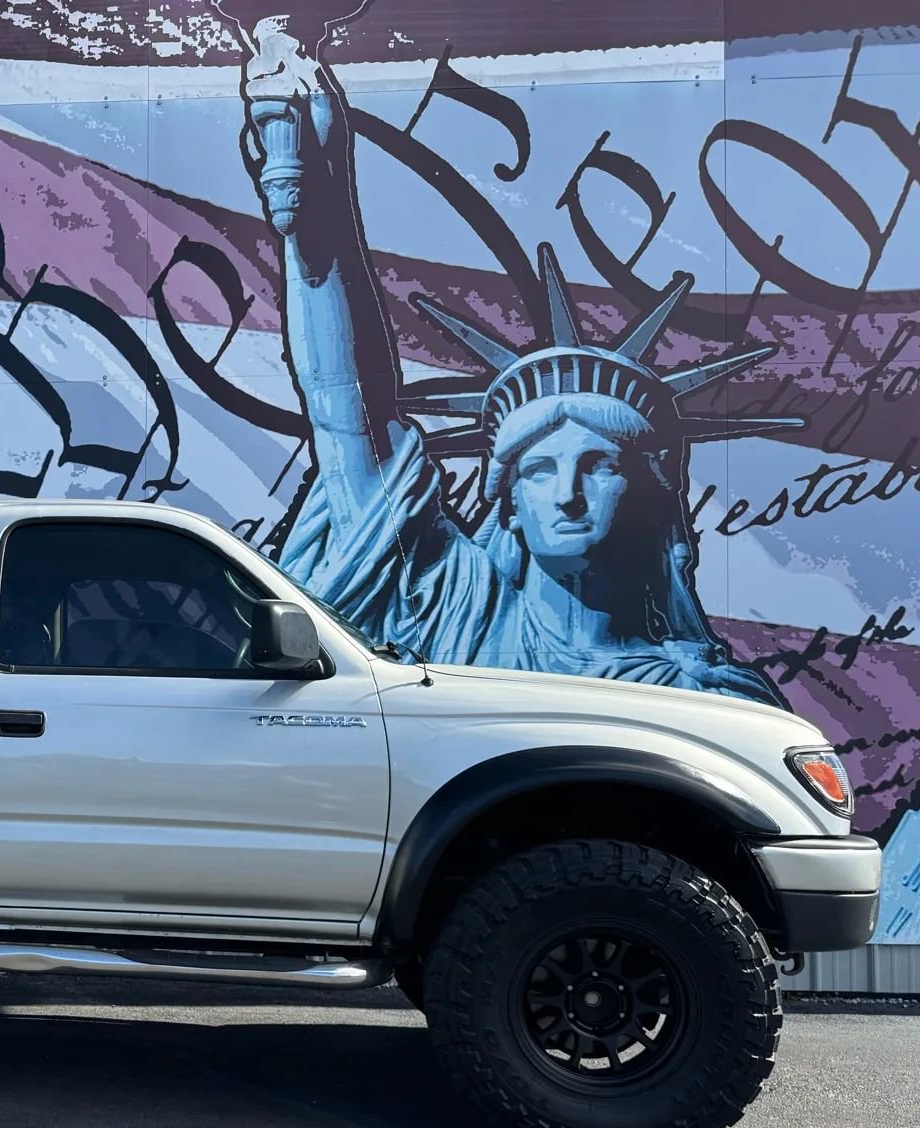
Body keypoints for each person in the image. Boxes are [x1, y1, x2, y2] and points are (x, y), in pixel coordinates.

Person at [239, 15, 792, 705]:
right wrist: (316, 218)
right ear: (507, 506)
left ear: (651, 498)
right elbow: (346, 407)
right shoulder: (458, 610)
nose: (567, 495)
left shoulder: (709, 694)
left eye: (599, 466)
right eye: (539, 469)